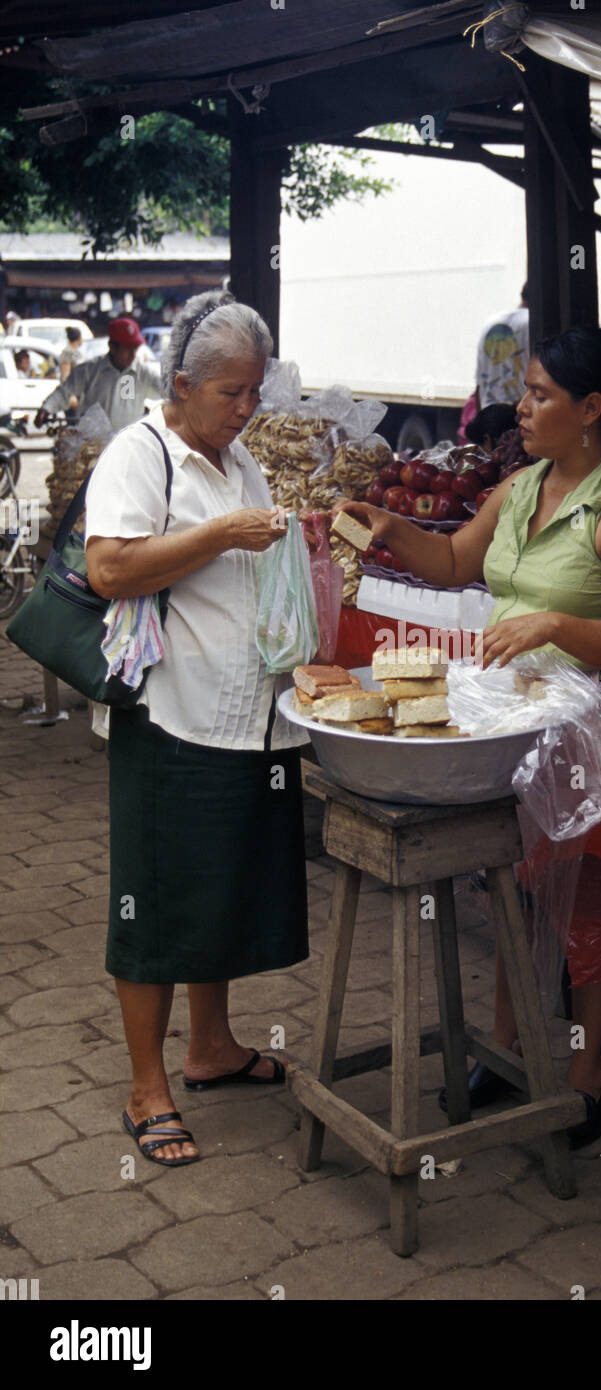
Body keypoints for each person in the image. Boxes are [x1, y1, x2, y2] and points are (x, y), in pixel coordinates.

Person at [333, 326, 601, 1146]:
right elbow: (451, 561)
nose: (519, 407)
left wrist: (556, 621)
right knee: (516, 891)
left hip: (587, 726)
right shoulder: (521, 488)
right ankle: (508, 1049)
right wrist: (384, 524)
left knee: (589, 907)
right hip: (510, 723)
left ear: (590, 409)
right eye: (525, 390)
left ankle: (590, 1075)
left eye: (541, 394)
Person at [84, 290, 309, 1166]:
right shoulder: (141, 455)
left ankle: (210, 1048)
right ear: (181, 384)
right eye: (231, 393)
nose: (247, 408)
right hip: (170, 714)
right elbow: (110, 568)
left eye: (256, 390)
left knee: (218, 887)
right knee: (154, 902)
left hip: (244, 716)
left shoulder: (236, 457)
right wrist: (220, 535)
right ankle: (146, 1089)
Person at [35, 317, 162, 431]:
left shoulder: (143, 373)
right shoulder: (89, 371)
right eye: (128, 349)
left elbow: (166, 391)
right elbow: (64, 392)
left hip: (129, 446)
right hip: (95, 448)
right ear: (112, 347)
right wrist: (46, 409)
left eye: (135, 348)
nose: (133, 354)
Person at [474, 282, 530, 410]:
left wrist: (480, 416)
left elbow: (479, 382)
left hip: (489, 411)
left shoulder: (490, 323)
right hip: (517, 412)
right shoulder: (532, 322)